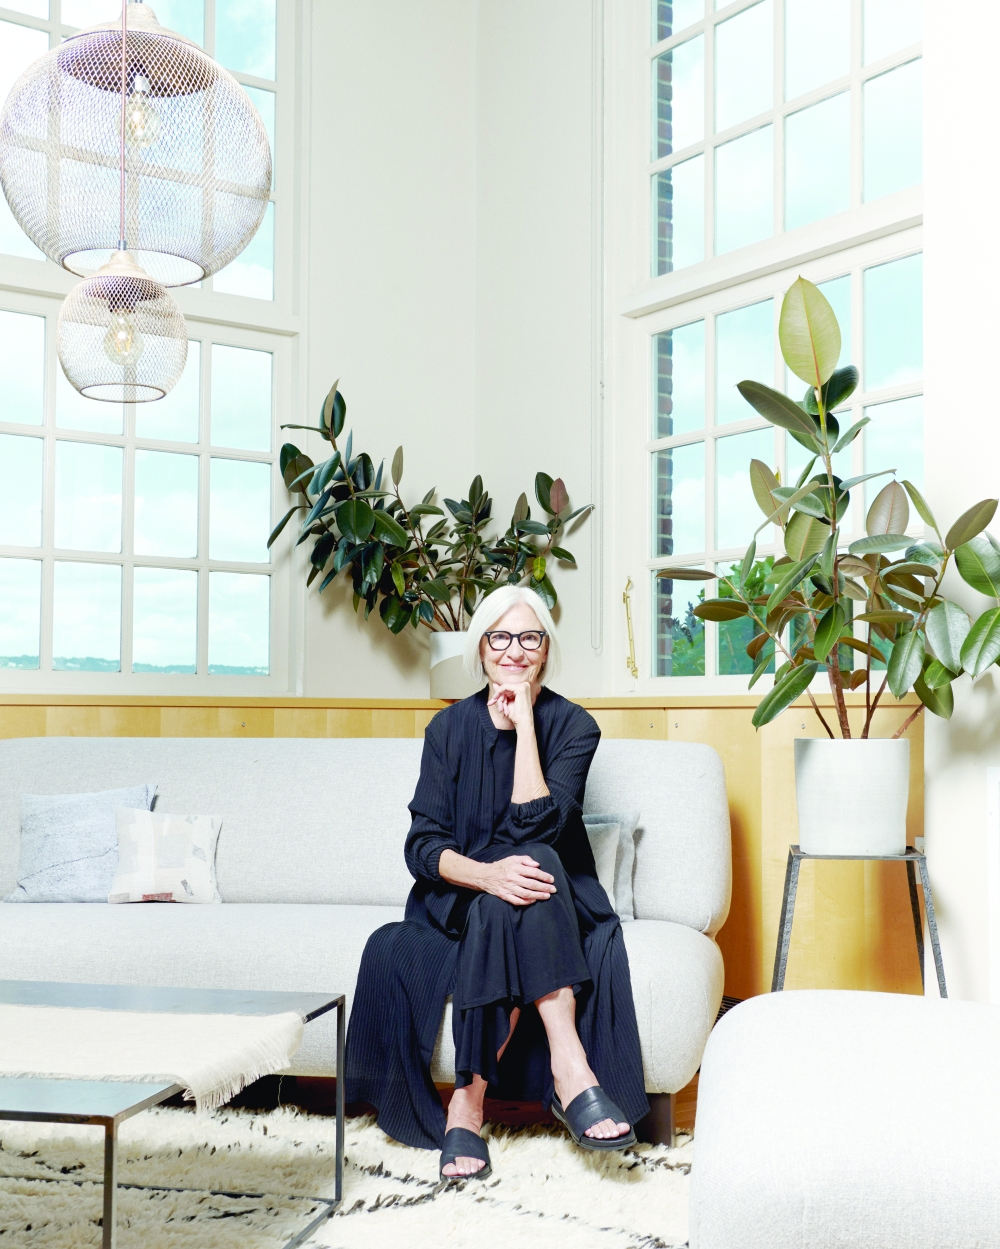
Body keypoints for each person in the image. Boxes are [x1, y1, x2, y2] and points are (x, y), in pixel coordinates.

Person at [344, 586, 648, 1180]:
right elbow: (423, 848)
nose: (514, 650)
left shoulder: (574, 727)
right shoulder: (447, 730)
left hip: (550, 894)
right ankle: (573, 1073)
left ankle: (469, 1105)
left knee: (532, 861)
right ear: (480, 649)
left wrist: (526, 723)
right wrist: (485, 875)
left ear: (545, 652)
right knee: (499, 895)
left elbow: (542, 822)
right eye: (500, 637)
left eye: (530, 638)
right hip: (461, 897)